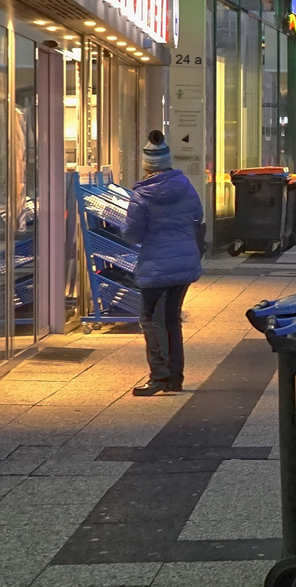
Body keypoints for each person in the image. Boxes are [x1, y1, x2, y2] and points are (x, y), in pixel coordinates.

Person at [123, 132, 202, 396]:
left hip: (156, 264)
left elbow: (133, 234)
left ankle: (159, 376)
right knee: (171, 319)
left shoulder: (142, 195)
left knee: (149, 319)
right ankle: (174, 378)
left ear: (147, 164)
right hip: (184, 262)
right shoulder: (186, 187)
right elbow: (197, 217)